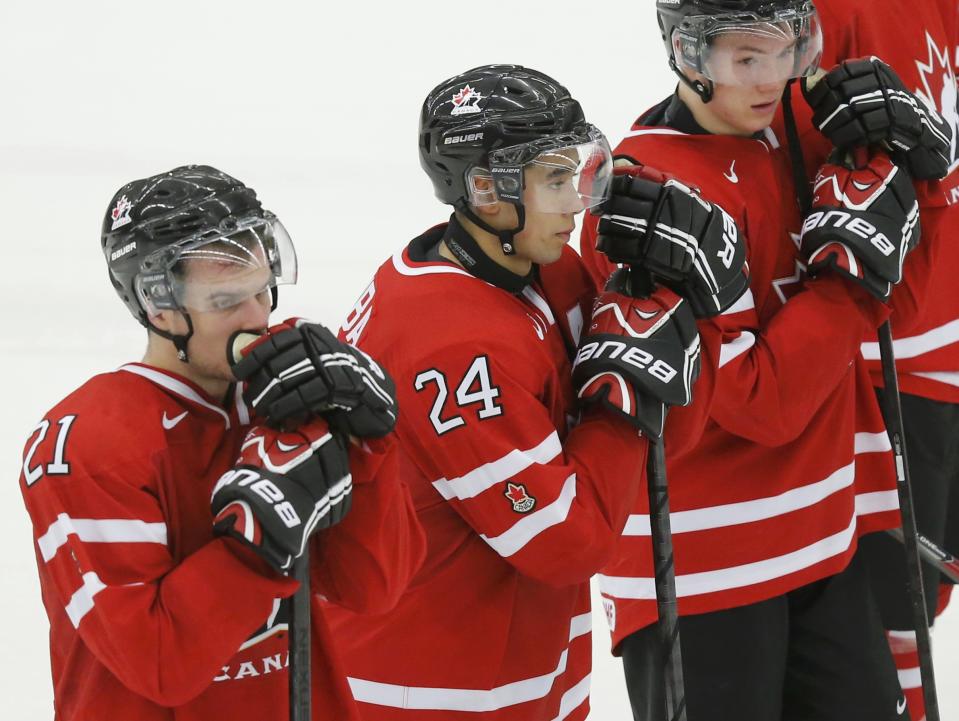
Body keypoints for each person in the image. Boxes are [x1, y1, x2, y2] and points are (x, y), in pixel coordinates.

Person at [241, 64, 735, 721]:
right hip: (425, 692)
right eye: (554, 179)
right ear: (485, 188)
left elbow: (658, 448)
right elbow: (566, 541)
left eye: (577, 170)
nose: (577, 200)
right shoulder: (447, 346)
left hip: (525, 673)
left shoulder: (545, 270)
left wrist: (687, 315)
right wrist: (620, 395)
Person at [580, 1, 922, 718]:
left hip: (824, 541)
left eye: (786, 51)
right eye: (744, 59)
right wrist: (851, 280)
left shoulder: (802, 130)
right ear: (685, 55)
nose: (771, 80)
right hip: (698, 569)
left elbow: (915, 291)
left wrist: (924, 170)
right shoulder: (647, 199)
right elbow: (760, 402)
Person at [18, 165, 424, 721]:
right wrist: (255, 539)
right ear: (159, 307)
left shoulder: (284, 395)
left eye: (262, 290)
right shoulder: (90, 442)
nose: (257, 317)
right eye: (226, 300)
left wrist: (370, 445)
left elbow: (373, 587)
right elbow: (161, 664)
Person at [776, 2, 959, 717]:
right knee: (885, 607)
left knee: (926, 592)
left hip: (942, 341)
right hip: (889, 359)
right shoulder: (829, 10)